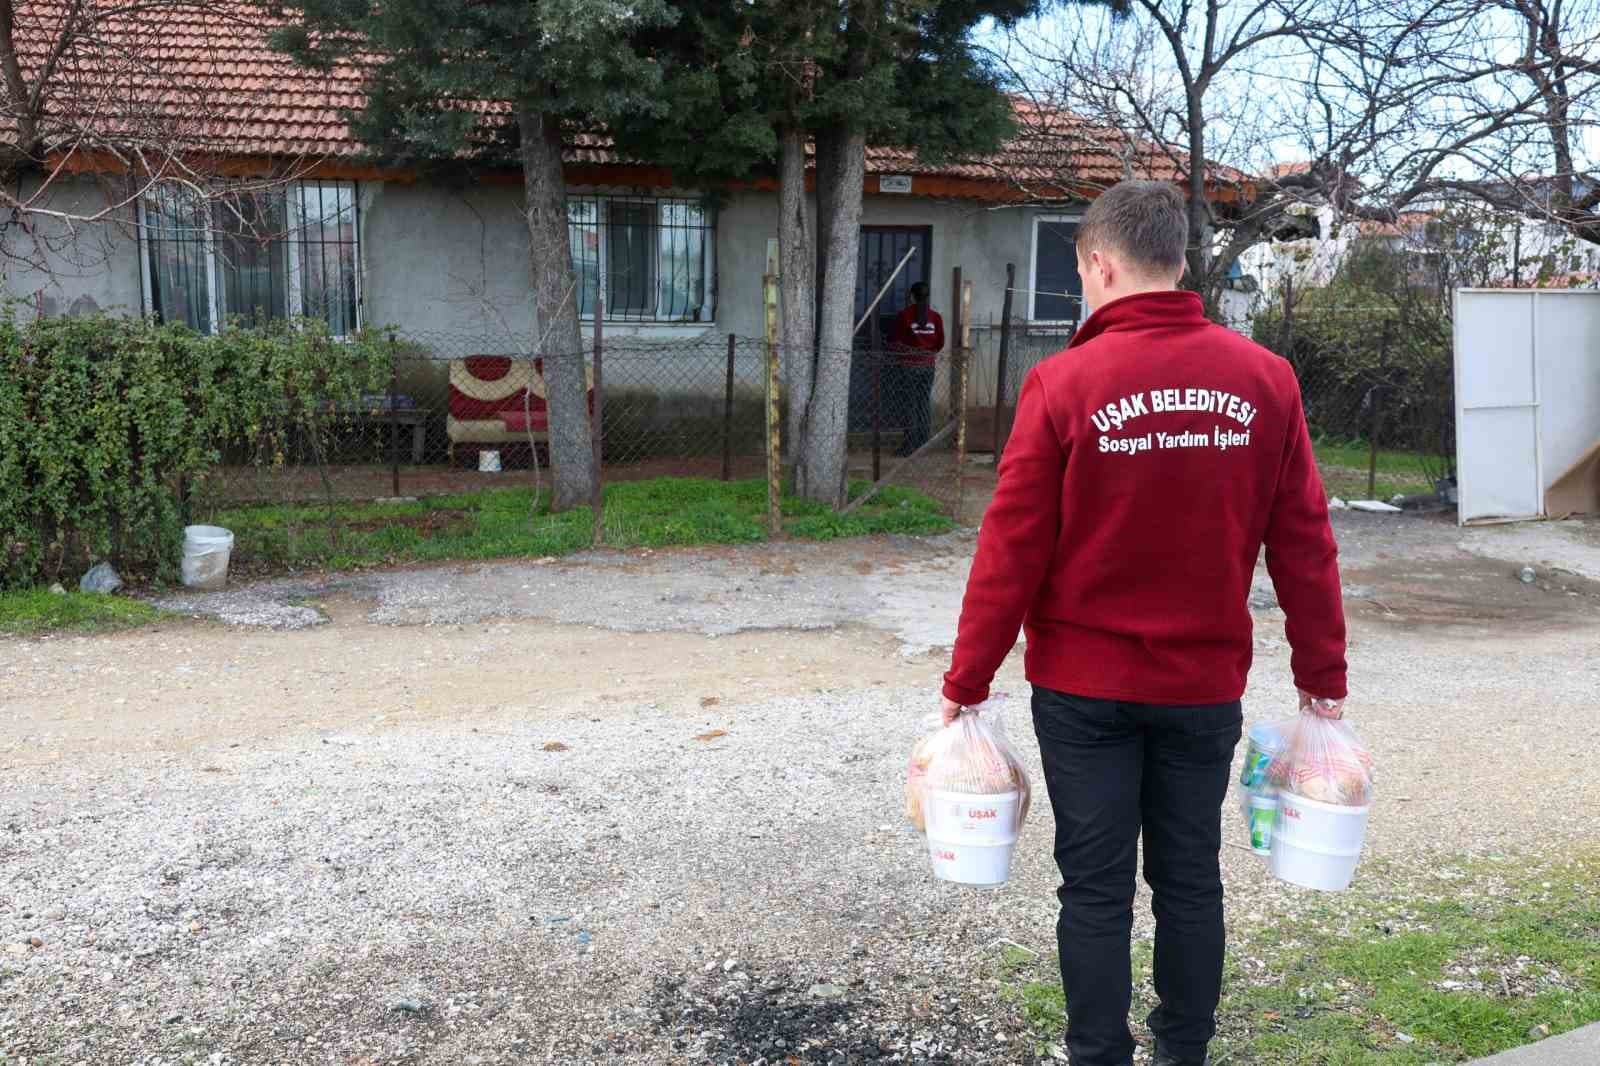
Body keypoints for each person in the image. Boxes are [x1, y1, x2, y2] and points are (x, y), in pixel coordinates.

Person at [939, 181, 1347, 1066]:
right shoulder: (1263, 380)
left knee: (1093, 890)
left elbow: (1009, 550)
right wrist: (1323, 680)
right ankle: (1183, 1054)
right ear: (1179, 261)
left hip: (1083, 692)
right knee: (1190, 882)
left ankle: (1098, 1057)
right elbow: (1306, 541)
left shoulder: (1064, 383)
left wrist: (966, 683)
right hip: (1202, 691)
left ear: (1098, 262)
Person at [888, 281, 944, 455]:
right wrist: (927, 353)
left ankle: (909, 446)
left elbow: (895, 342)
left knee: (910, 405)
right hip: (928, 366)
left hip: (909, 366)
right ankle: (924, 444)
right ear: (927, 297)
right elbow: (940, 343)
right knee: (923, 404)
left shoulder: (904, 315)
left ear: (911, 296)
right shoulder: (935, 317)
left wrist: (905, 354)